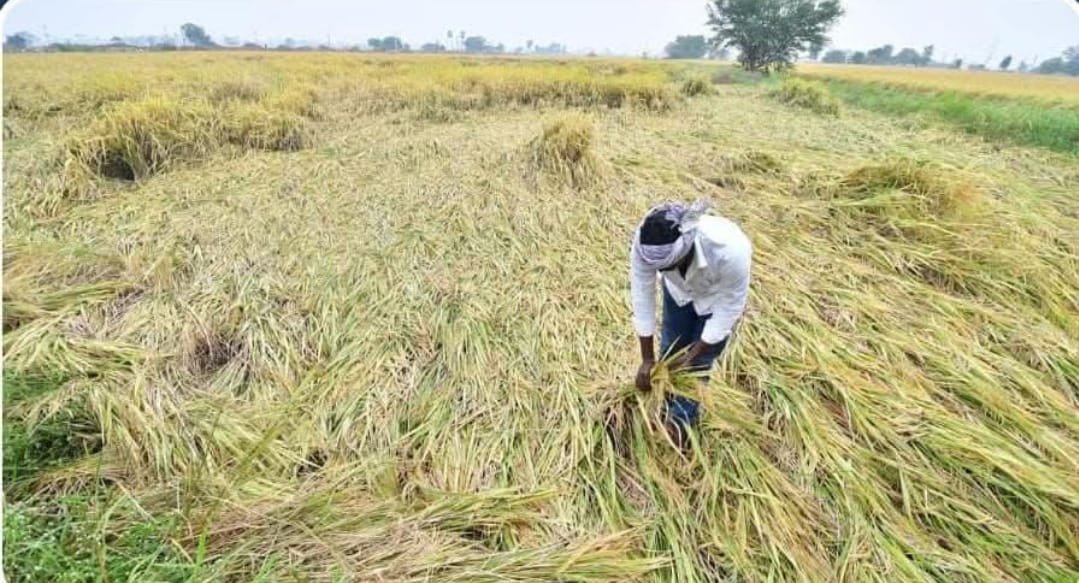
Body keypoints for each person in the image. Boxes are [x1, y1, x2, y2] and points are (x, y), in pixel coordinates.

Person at [629, 200, 752, 446]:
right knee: (671, 350)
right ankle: (664, 402)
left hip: (715, 299)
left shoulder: (730, 250)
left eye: (666, 266)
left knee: (697, 366)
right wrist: (647, 359)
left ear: (684, 252)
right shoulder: (646, 243)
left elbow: (730, 307)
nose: (660, 270)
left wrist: (693, 355)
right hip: (679, 294)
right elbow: (642, 293)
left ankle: (680, 424)